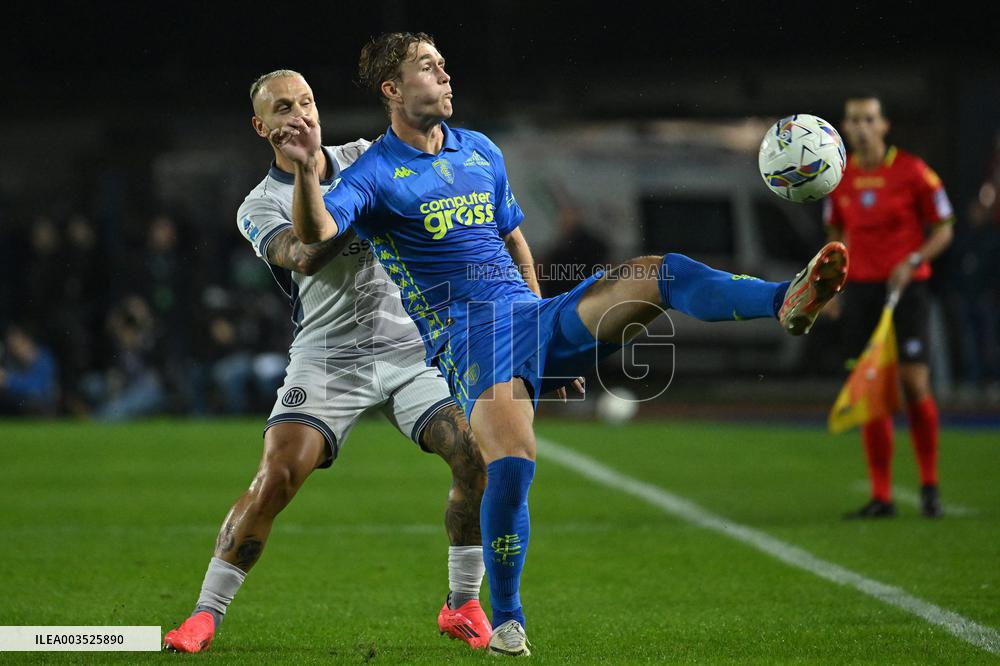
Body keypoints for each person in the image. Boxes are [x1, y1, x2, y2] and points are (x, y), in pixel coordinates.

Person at [279, 33, 847, 656]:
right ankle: (508, 619)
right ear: (392, 90)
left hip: (530, 316)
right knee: (513, 461)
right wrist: (309, 170)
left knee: (662, 272)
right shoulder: (375, 172)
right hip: (469, 338)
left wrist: (540, 340)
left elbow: (515, 240)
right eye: (427, 67)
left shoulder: (480, 151)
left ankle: (782, 301)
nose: (444, 74)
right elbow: (317, 235)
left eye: (443, 63)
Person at [163, 70, 490, 653]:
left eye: (307, 101)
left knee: (472, 455)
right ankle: (204, 615)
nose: (300, 115)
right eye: (283, 107)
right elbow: (304, 255)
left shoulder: (366, 156)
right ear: (261, 127)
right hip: (327, 360)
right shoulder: (258, 204)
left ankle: (462, 603)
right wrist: (321, 182)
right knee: (277, 479)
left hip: (407, 351)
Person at [824, 94, 954, 519]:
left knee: (915, 384)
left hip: (907, 287)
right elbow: (836, 237)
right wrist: (831, 289)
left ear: (884, 125)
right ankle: (882, 496)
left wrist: (913, 259)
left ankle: (930, 484)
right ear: (844, 126)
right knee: (871, 390)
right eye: (854, 119)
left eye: (869, 119)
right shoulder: (837, 179)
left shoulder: (913, 172)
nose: (861, 127)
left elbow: (944, 229)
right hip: (861, 291)